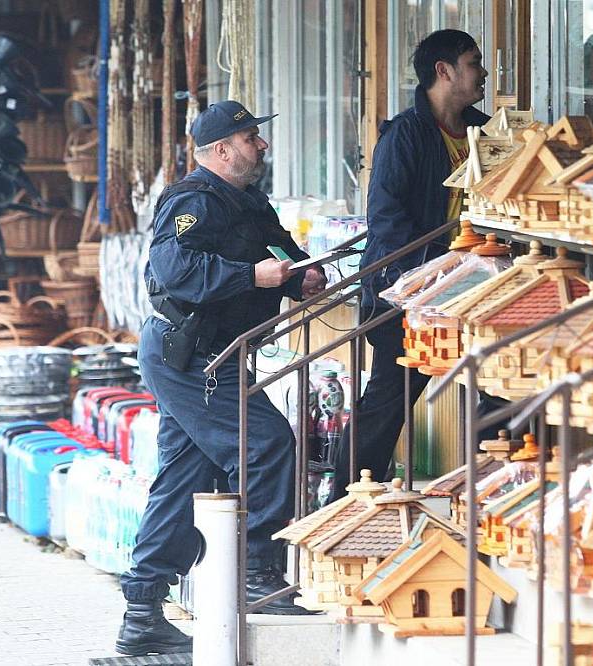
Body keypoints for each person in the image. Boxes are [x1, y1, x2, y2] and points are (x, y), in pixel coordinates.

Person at [116, 100, 327, 657]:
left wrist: (298, 276)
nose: (261, 146)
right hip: (190, 355)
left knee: (184, 477)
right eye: (250, 138)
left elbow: (276, 250)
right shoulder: (193, 200)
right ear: (219, 150)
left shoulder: (247, 201)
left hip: (211, 354)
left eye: (257, 136)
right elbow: (174, 272)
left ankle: (141, 611)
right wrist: (251, 276)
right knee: (267, 443)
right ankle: (257, 569)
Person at [328, 29, 492, 501]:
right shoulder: (405, 134)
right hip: (411, 290)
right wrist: (433, 272)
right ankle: (344, 501)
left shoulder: (486, 132)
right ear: (444, 72)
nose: (482, 72)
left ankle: (489, 497)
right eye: (473, 62)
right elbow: (385, 219)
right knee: (389, 400)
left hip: (478, 288)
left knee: (502, 388)